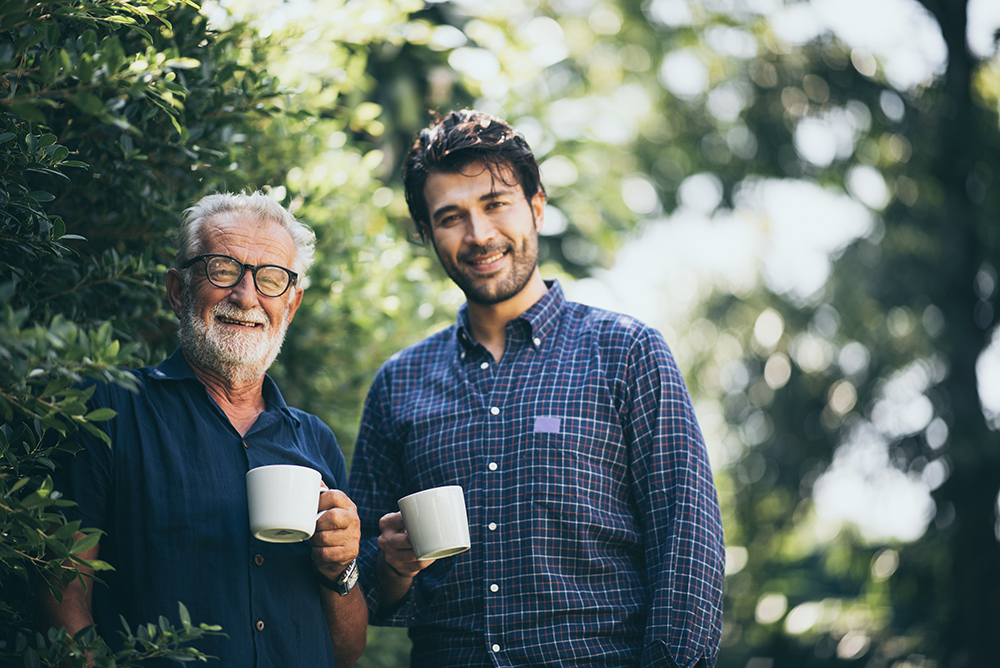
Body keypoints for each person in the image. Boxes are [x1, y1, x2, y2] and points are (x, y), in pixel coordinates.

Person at [348, 109, 725, 668]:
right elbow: (364, 590)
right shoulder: (397, 384)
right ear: (428, 234)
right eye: (451, 217)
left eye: (495, 205)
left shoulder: (628, 354)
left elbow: (688, 547)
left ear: (537, 207)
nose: (479, 235)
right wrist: (393, 565)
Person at [37, 192, 367, 667]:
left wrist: (341, 568)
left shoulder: (315, 441)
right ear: (178, 289)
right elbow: (61, 597)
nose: (247, 296)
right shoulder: (106, 408)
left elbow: (346, 651)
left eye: (271, 279)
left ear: (290, 306)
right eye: (223, 269)